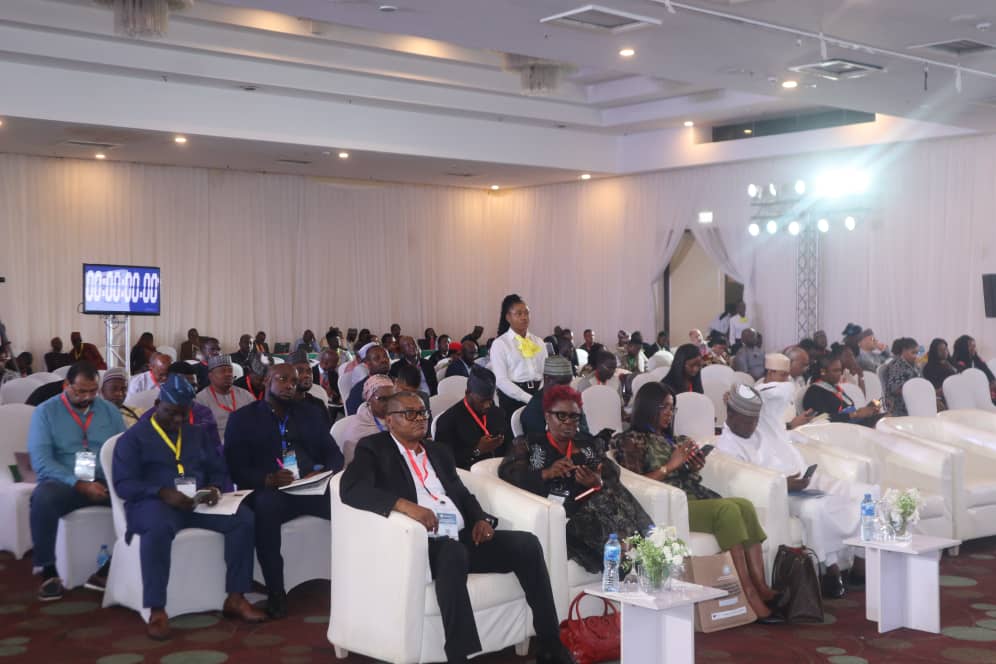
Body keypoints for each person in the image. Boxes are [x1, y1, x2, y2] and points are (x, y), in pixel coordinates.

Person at [340, 390, 573, 664]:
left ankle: (550, 643)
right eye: (410, 413)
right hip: (421, 545)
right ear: (389, 420)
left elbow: (461, 493)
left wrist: (479, 519)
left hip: (460, 537)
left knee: (527, 544)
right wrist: (405, 506)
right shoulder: (374, 449)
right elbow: (351, 489)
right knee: (453, 553)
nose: (420, 418)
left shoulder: (438, 451)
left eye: (422, 412)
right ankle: (458, 655)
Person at [611, 382, 780, 621]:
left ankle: (760, 585)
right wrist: (671, 465)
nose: (669, 414)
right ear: (648, 407)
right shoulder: (631, 440)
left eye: (672, 408)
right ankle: (748, 593)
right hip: (672, 505)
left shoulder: (674, 439)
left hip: (693, 495)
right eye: (664, 408)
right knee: (727, 510)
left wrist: (691, 466)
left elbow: (684, 473)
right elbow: (637, 483)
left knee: (744, 505)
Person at [113, 375, 265, 638]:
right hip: (154, 505)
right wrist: (161, 492)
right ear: (157, 405)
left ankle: (236, 597)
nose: (178, 420)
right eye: (171, 413)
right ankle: (157, 609)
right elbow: (124, 484)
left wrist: (214, 488)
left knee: (243, 518)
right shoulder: (133, 438)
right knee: (157, 529)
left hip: (197, 504)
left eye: (183, 414)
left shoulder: (196, 434)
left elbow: (218, 469)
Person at [719, 381, 874, 599]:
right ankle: (829, 569)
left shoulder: (763, 425)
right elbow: (748, 485)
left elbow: (785, 389)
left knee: (866, 494)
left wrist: (754, 392)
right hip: (778, 496)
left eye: (755, 420)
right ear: (731, 414)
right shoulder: (727, 446)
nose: (752, 426)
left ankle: (860, 563)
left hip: (800, 482)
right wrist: (783, 484)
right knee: (817, 509)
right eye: (747, 421)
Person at [224, 364, 343, 618]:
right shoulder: (242, 419)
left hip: (310, 487)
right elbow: (235, 468)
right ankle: (276, 592)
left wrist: (323, 473)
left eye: (294, 381)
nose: (290, 385)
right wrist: (267, 479)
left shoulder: (310, 414)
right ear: (266, 380)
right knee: (266, 509)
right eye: (283, 379)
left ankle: (353, 578)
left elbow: (335, 455)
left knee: (347, 504)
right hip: (269, 491)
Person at [499, 385, 653, 573]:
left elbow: (611, 471)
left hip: (594, 505)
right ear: (547, 416)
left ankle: (643, 548)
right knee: (603, 503)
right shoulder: (530, 443)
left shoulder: (586, 444)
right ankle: (635, 552)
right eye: (561, 416)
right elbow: (508, 473)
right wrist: (545, 473)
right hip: (563, 515)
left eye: (574, 417)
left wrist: (597, 481)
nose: (569, 422)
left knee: (611, 491)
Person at [27, 362, 126, 600]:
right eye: (81, 391)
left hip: (103, 479)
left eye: (93, 391)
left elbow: (121, 449)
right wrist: (78, 483)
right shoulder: (45, 412)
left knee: (140, 498)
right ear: (66, 386)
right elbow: (41, 461)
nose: (87, 397)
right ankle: (48, 572)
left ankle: (107, 569)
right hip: (64, 482)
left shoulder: (109, 411)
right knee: (43, 498)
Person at [433, 367, 510, 470]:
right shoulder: (447, 421)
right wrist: (477, 450)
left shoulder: (496, 412)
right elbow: (444, 461)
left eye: (490, 400)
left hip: (499, 468)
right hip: (469, 473)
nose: (487, 405)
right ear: (468, 393)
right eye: (482, 401)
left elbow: (507, 446)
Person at [489, 294, 548, 426]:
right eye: (519, 313)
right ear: (508, 317)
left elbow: (546, 373)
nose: (524, 317)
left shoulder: (538, 341)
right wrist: (528, 398)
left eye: (526, 313)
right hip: (512, 398)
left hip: (538, 395)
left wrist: (539, 396)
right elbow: (501, 380)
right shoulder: (500, 344)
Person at [802, 353, 881, 427]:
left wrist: (867, 411)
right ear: (823, 372)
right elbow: (821, 419)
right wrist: (855, 414)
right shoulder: (814, 392)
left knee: (884, 417)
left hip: (852, 425)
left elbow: (848, 411)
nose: (839, 374)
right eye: (835, 371)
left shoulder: (835, 388)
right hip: (838, 430)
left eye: (840, 370)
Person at [521, 357, 589, 436]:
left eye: (568, 383)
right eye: (561, 383)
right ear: (547, 379)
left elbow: (585, 431)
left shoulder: (571, 401)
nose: (566, 388)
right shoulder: (534, 410)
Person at [336, 375, 395, 466]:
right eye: (383, 399)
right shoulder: (357, 430)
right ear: (369, 399)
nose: (389, 403)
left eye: (393, 398)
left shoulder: (399, 418)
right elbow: (356, 466)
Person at [195, 355, 254, 438]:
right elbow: (200, 433)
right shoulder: (200, 400)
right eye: (222, 371)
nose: (228, 374)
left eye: (230, 370)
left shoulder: (246, 395)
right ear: (210, 376)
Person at [755, 353, 814, 429]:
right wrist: (790, 425)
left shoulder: (783, 387)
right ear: (770, 373)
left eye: (787, 375)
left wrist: (802, 418)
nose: (786, 379)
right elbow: (762, 429)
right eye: (783, 375)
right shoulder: (759, 393)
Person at [288, 351, 333, 428]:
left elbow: (326, 429)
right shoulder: (281, 405)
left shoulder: (319, 398)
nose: (307, 375)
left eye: (309, 371)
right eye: (299, 371)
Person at [346, 345, 391, 415]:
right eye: (377, 358)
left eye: (385, 356)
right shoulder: (359, 390)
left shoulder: (396, 381)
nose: (383, 360)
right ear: (368, 364)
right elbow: (353, 415)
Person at [882, 338, 920, 417]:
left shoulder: (913, 364)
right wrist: (915, 391)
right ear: (904, 351)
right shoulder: (896, 366)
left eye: (917, 353)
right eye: (913, 353)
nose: (915, 356)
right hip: (900, 405)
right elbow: (895, 389)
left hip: (913, 400)